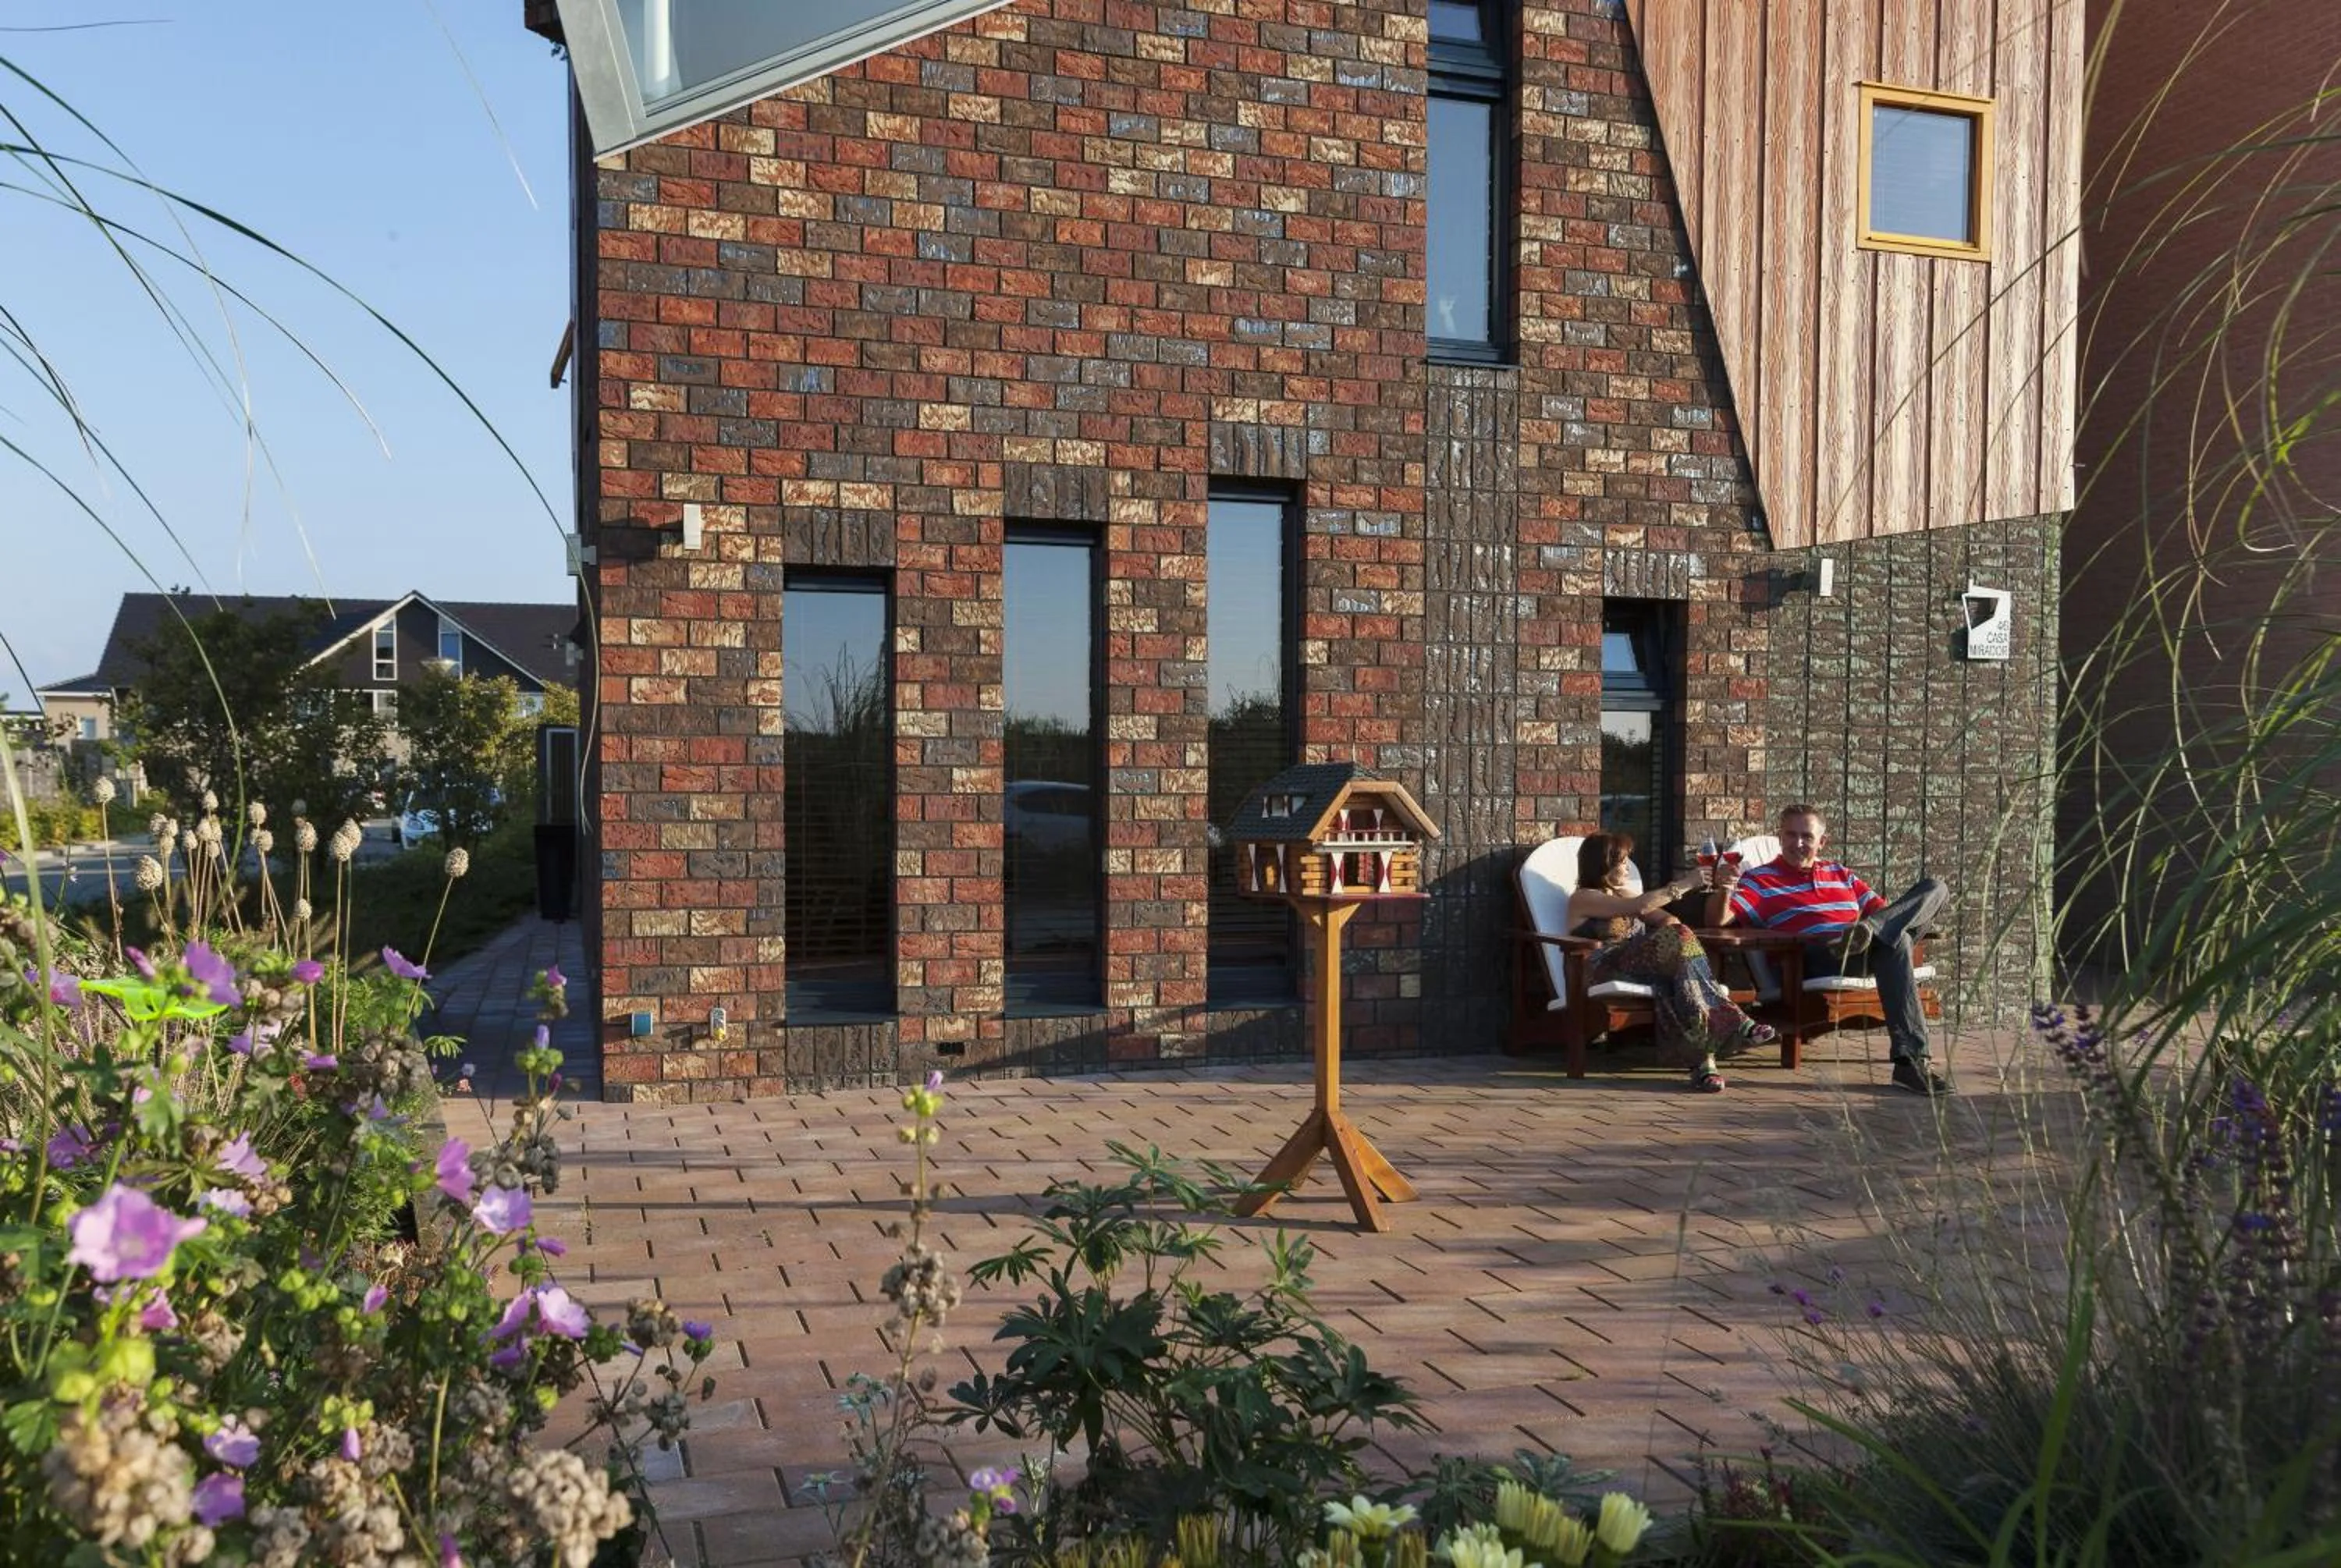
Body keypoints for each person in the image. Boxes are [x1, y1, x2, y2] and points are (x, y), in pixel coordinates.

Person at [1705, 804, 1952, 1096]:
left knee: (1935, 889)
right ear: (1780, 837)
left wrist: (1882, 926)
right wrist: (1725, 888)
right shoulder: (1759, 880)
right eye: (1791, 835)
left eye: (1807, 836)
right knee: (1898, 939)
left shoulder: (1840, 872)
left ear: (1822, 842)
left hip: (1861, 948)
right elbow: (1716, 922)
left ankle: (1869, 931)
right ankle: (1911, 1064)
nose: (1798, 843)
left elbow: (1884, 911)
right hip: (1818, 954)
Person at [1565, 832, 1778, 1093]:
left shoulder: (1623, 893)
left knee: (1679, 980)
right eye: (1621, 861)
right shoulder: (1584, 897)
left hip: (1635, 965)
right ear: (1602, 863)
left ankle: (1704, 1067)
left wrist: (1670, 937)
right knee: (1679, 949)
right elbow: (1641, 907)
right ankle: (1735, 1023)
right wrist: (1687, 883)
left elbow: (1670, 922)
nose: (1626, 866)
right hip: (1601, 968)